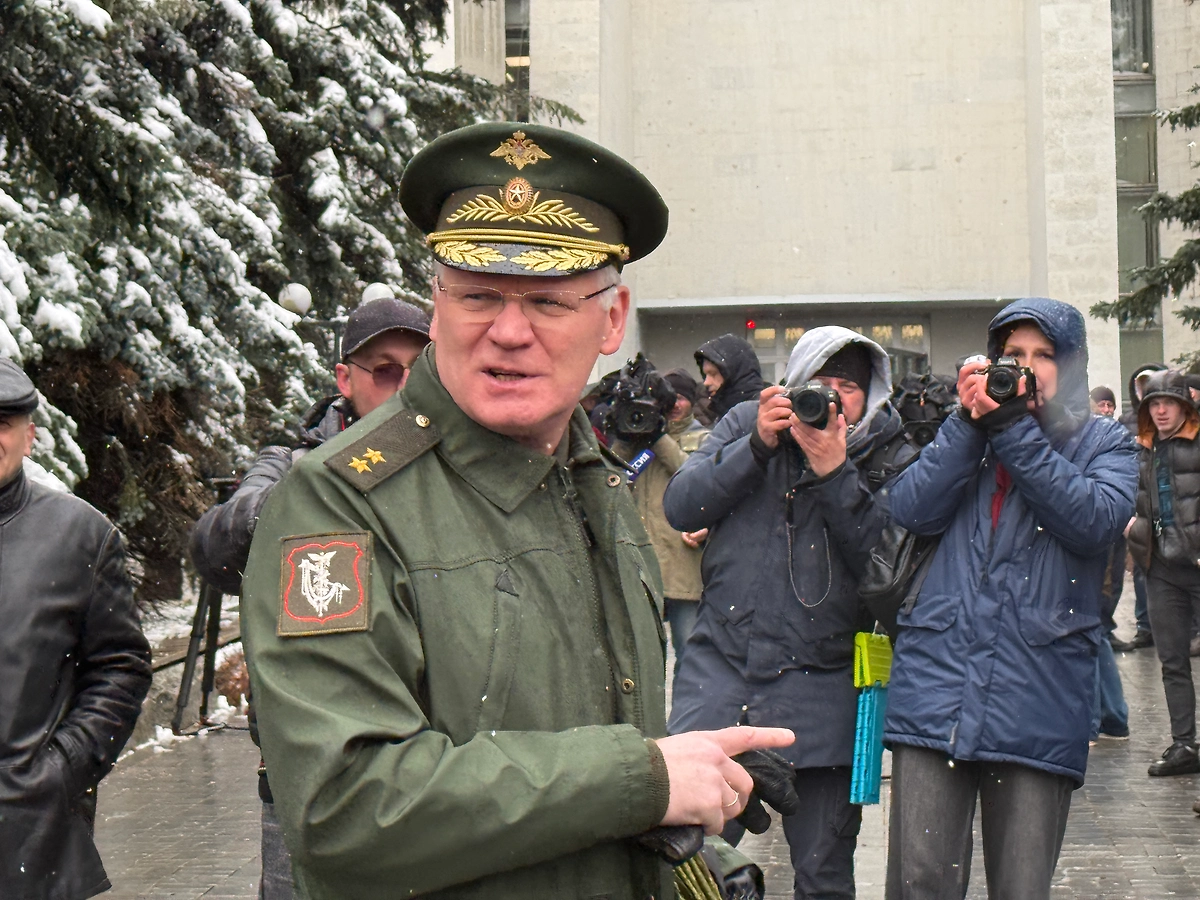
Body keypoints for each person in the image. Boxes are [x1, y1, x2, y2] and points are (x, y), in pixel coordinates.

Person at [239, 122, 793, 899]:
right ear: (436, 305)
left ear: (610, 319)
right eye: (477, 296)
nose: (508, 331)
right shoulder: (341, 502)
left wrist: (700, 853)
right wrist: (642, 780)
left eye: (547, 300)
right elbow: (345, 809)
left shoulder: (592, 478)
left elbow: (586, 765)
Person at [881, 299, 1138, 900]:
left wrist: (1014, 430)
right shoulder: (969, 432)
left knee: (1021, 887)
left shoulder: (1106, 444)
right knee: (920, 882)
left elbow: (1093, 521)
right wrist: (969, 426)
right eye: (1013, 355)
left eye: (1044, 355)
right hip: (936, 687)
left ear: (1070, 365)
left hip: (1039, 692)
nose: (1026, 368)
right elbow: (910, 511)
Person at [189, 294, 429, 898]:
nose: (402, 386)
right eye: (385, 370)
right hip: (309, 771)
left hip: (431, 765)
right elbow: (219, 544)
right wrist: (318, 494)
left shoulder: (457, 463)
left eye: (418, 368)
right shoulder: (295, 463)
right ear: (345, 379)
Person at [664, 328, 915, 899]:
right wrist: (754, 445)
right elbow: (682, 505)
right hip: (722, 679)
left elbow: (886, 572)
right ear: (792, 386)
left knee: (824, 876)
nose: (829, 400)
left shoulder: (888, 454)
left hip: (823, 694)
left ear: (869, 399)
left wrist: (836, 475)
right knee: (689, 861)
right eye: (818, 386)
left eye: (847, 388)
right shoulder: (748, 422)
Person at [0, 358, 152, 900]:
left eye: (2, 422)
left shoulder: (81, 538)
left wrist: (61, 768)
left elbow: (120, 669)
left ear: (29, 437)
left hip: (25, 836)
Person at [612, 366, 710, 677]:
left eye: (682, 398)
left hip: (682, 567)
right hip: (641, 566)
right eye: (671, 398)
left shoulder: (703, 437)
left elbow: (693, 477)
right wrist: (628, 433)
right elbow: (609, 477)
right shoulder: (638, 436)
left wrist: (659, 437)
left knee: (689, 656)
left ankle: (686, 721)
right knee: (642, 659)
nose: (676, 405)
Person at [1127, 371, 1200, 776]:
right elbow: (1131, 496)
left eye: (1167, 403)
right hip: (1161, 568)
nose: (1159, 411)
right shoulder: (1142, 447)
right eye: (1153, 405)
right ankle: (1183, 744)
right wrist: (1132, 528)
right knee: (1172, 661)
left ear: (1183, 405)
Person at [1114, 364, 1168, 651]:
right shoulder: (1127, 421)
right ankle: (1146, 626)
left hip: (1171, 504)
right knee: (1142, 568)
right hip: (1140, 505)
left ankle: (1185, 629)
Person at [1088, 386, 1130, 743]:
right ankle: (1110, 716)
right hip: (1102, 560)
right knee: (1095, 633)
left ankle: (1109, 716)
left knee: (1094, 632)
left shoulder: (1105, 444)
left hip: (1098, 562)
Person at [695, 334, 765, 424]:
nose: (706, 382)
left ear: (735, 373)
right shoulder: (722, 414)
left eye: (713, 374)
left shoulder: (762, 416)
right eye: (705, 375)